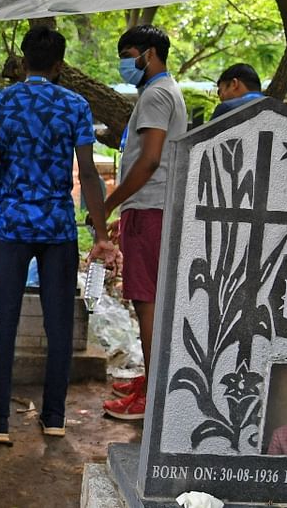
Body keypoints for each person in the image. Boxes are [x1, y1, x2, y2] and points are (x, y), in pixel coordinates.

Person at [0, 26, 120, 444]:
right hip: (57, 226)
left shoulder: (1, 104)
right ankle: (55, 416)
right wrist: (99, 234)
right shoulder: (75, 105)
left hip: (8, 223)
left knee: (1, 320)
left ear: (23, 62)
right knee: (59, 323)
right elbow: (90, 173)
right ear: (60, 66)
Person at [101, 25, 187, 421]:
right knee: (149, 299)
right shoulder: (164, 91)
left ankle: (153, 398)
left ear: (149, 54)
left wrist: (110, 203)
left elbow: (150, 159)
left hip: (152, 208)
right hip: (152, 208)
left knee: (147, 302)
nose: (124, 63)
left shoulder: (155, 94)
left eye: (128, 53)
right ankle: (151, 383)